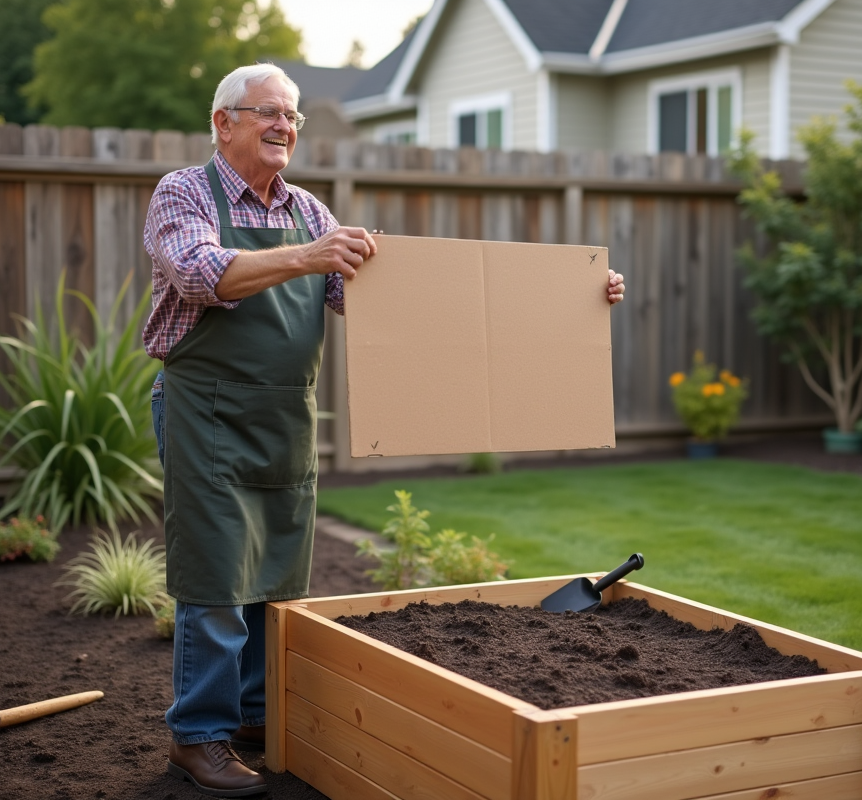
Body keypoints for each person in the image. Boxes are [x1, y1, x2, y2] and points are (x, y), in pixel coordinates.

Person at [143, 63, 626, 797]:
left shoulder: (308, 209)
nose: (284, 126)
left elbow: (401, 301)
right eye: (268, 112)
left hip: (282, 415)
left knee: (275, 576)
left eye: (294, 116)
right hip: (206, 409)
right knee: (214, 579)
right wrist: (310, 255)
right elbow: (198, 271)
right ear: (224, 122)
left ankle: (253, 716)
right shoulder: (185, 193)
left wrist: (573, 298)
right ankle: (198, 737)